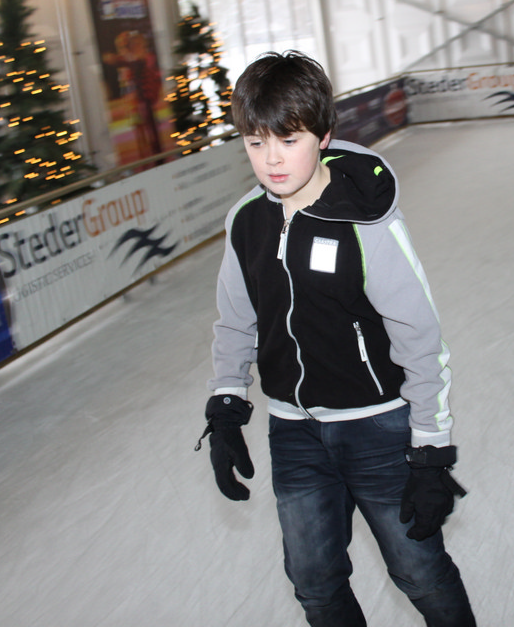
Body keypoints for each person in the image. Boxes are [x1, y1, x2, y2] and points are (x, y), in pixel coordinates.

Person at [197, 50, 476, 627]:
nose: (272, 159)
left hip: (377, 429)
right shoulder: (246, 221)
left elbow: (419, 337)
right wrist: (226, 404)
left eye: (289, 140)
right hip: (293, 433)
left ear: (323, 136)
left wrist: (430, 450)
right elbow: (236, 319)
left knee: (419, 572)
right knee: (314, 585)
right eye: (255, 142)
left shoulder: (364, 221)